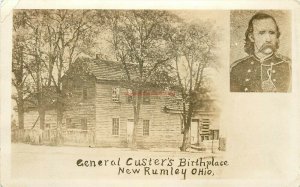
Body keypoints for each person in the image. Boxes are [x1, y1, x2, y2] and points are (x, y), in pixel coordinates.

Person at [230, 12, 291, 92]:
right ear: (252, 37)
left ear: (277, 37)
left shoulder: (289, 67)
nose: (268, 39)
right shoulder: (236, 69)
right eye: (262, 33)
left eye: (272, 33)